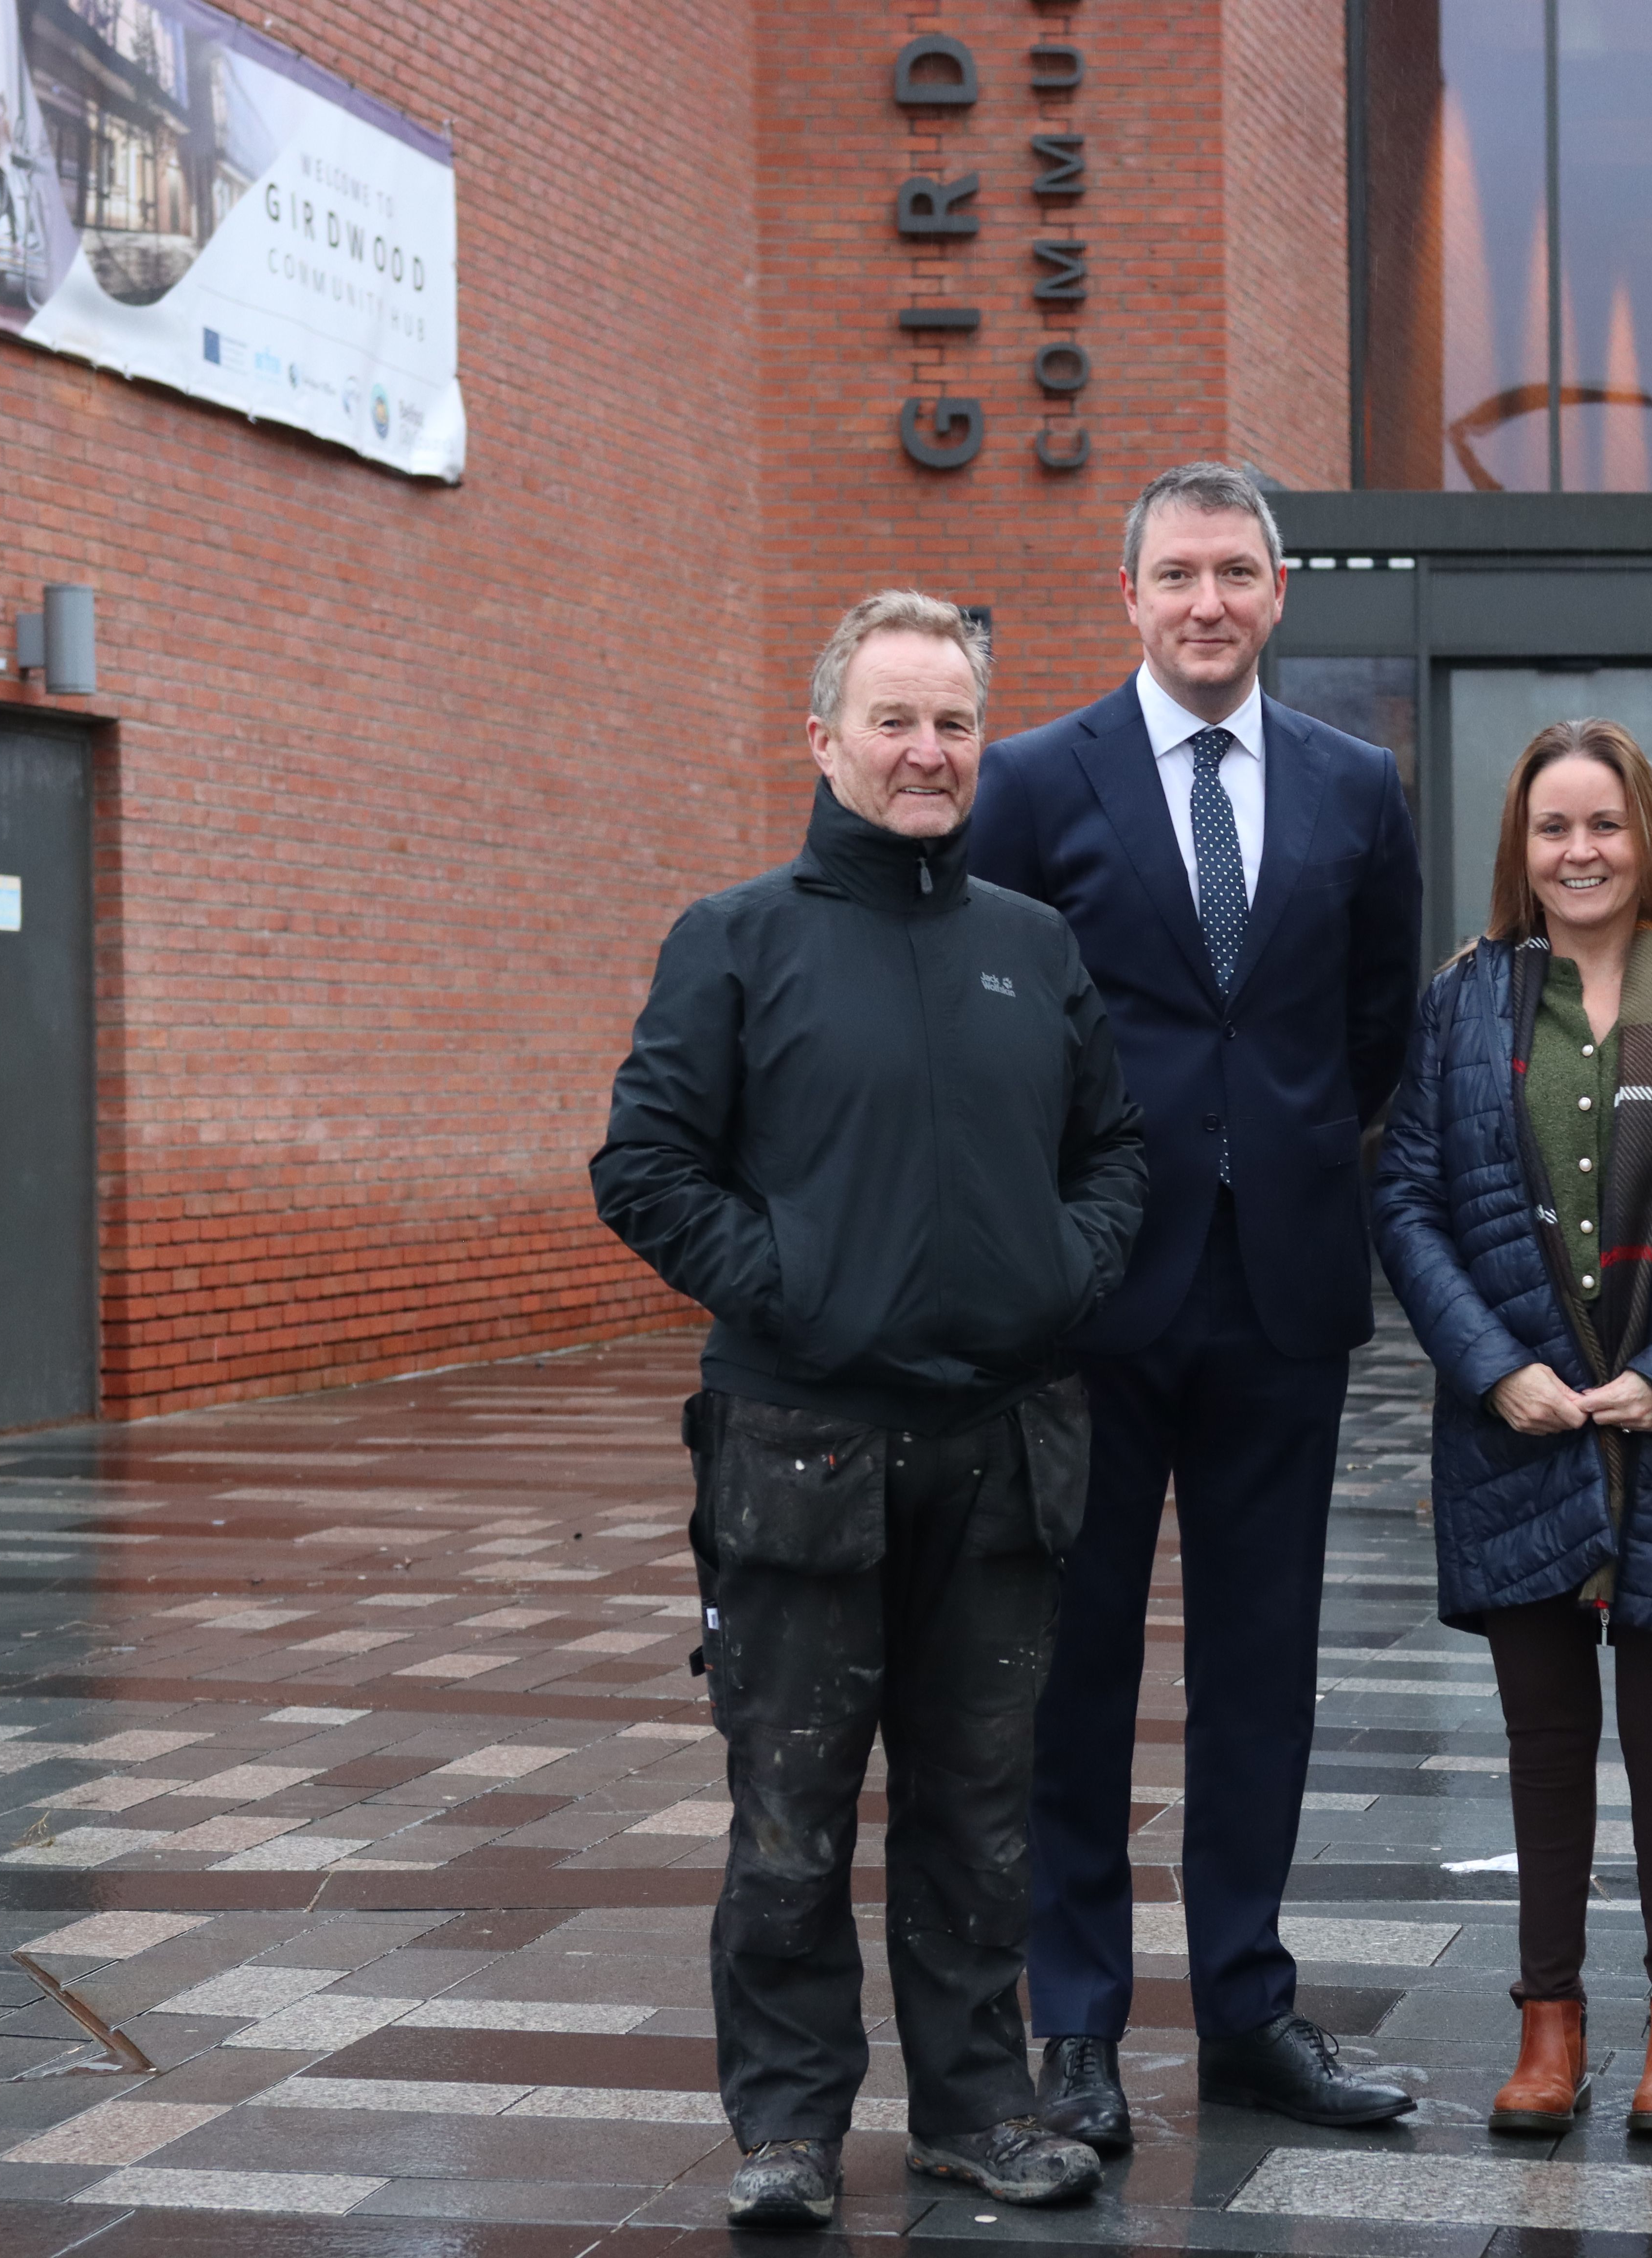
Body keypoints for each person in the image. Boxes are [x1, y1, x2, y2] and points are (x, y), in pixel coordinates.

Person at [591, 590, 1148, 2231]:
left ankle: (979, 2109)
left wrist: (1062, 1274)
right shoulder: (734, 941)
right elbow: (643, 1166)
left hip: (1004, 1455)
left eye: (954, 724)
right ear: (823, 740)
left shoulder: (1030, 948)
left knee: (981, 1819)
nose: (927, 753)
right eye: (894, 722)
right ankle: (787, 2130)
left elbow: (1113, 1154)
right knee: (790, 1818)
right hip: (801, 1456)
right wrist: (800, 1285)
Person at [972, 463, 1426, 2145]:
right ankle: (1077, 2027)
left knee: (1264, 1669)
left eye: (1238, 572)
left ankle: (1246, 2007)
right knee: (1076, 1671)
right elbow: (999, 1012)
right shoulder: (1032, 782)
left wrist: (1285, 1152)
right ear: (1131, 594)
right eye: (1179, 575)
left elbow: (1369, 1019)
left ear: (1282, 590)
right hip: (1092, 1298)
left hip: (1282, 1292)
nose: (1209, 602)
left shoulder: (1356, 785)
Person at [1371, 719, 1652, 2142]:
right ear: (1522, 848)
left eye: (1604, 826)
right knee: (1543, 1745)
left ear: (1646, 836)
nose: (1580, 853)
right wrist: (1494, 1370)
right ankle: (1546, 2027)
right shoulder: (1465, 1003)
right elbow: (1411, 1202)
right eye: (1553, 829)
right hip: (1520, 1431)